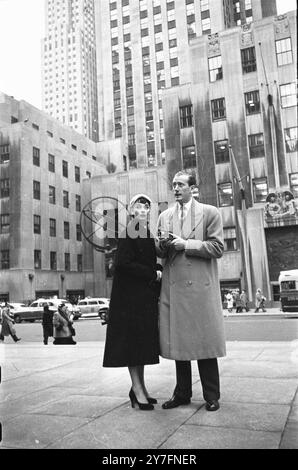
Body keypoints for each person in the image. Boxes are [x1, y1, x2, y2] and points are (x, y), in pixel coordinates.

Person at [156, 170, 226, 412]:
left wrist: (187, 244)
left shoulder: (210, 212)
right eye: (174, 184)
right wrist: (163, 246)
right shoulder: (164, 216)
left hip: (200, 289)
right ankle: (182, 394)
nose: (176, 188)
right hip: (175, 288)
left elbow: (218, 247)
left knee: (205, 345)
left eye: (181, 185)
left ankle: (212, 396)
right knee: (180, 345)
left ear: (192, 188)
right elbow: (159, 250)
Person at [103, 194, 162, 411]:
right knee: (133, 346)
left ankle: (140, 388)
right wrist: (152, 273)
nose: (144, 209)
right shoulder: (131, 230)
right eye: (139, 206)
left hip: (141, 297)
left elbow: (146, 262)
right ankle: (137, 390)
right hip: (129, 300)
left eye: (147, 206)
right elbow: (123, 264)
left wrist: (156, 271)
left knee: (140, 346)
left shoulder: (144, 231)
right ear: (131, 211)